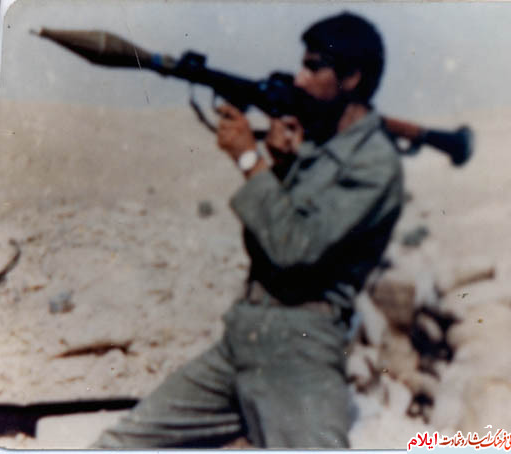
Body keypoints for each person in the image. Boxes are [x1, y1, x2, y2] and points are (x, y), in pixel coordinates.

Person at [92, 11, 403, 449]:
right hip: (245, 337)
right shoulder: (317, 147)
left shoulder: (374, 163)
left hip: (300, 348)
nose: (299, 78)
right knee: (122, 445)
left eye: (314, 67)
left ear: (351, 77)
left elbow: (294, 248)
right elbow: (267, 241)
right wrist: (280, 167)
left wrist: (248, 160)